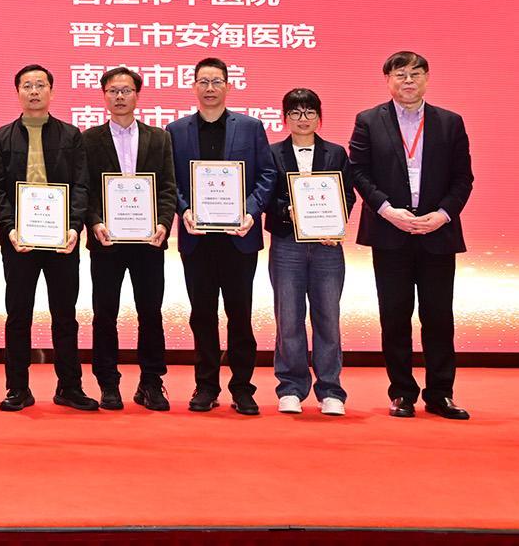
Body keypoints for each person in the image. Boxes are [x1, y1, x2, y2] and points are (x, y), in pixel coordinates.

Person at [349, 51, 474, 420]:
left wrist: (442, 215)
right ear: (388, 80)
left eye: (415, 74)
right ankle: (402, 393)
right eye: (400, 74)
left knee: (439, 317)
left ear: (427, 78)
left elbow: (463, 178)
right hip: (391, 232)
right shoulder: (369, 120)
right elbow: (358, 173)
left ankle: (440, 394)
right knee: (395, 316)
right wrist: (388, 211)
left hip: (437, 233)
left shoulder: (450, 122)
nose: (408, 81)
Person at [169, 57, 276, 416]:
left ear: (229, 86)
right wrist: (185, 210)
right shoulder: (176, 130)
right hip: (196, 237)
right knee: (202, 315)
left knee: (240, 315)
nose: (210, 88)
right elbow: (171, 181)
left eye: (216, 81)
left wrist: (250, 212)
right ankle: (206, 386)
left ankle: (242, 388)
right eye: (203, 81)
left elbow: (267, 175)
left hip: (239, 236)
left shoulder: (250, 127)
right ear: (193, 86)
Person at [0, 64, 94, 412]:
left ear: (51, 91)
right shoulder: (2, 137)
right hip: (20, 242)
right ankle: (18, 388)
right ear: (17, 92)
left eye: (40, 85)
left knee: (65, 315)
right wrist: (10, 228)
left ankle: (70, 387)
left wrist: (74, 227)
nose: (34, 91)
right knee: (18, 315)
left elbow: (82, 185)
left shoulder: (71, 136)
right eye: (27, 86)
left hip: (63, 241)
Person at [83, 66, 179, 412]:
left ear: (137, 95)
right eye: (113, 91)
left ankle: (151, 383)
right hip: (106, 241)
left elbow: (167, 187)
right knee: (104, 314)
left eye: (126, 90)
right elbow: (85, 189)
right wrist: (94, 222)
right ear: (104, 96)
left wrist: (164, 223)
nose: (119, 97)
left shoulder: (159, 138)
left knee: (150, 313)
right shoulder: (89, 139)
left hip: (148, 241)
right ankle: (108, 383)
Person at [268, 88, 355, 416]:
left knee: (328, 317)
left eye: (309, 112)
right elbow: (265, 195)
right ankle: (291, 387)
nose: (302, 119)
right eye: (295, 113)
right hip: (287, 244)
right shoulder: (272, 153)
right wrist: (287, 210)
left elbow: (347, 196)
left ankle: (330, 389)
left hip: (326, 246)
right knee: (288, 317)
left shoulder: (336, 153)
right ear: (285, 118)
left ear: (319, 117)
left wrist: (336, 224)